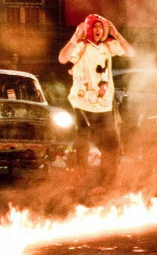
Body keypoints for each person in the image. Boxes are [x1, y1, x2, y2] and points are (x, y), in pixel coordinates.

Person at [58, 14, 135, 187]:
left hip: (104, 106)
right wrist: (75, 37)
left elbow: (131, 52)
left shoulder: (108, 47)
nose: (98, 30)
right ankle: (80, 179)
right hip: (84, 104)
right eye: (94, 27)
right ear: (88, 29)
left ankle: (106, 184)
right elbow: (63, 58)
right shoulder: (82, 47)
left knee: (112, 145)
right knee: (83, 140)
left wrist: (117, 34)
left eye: (101, 27)